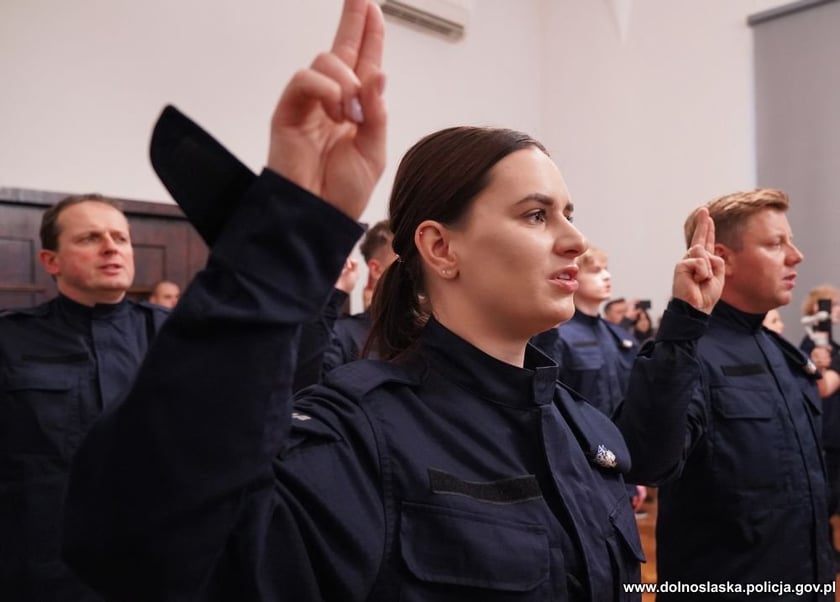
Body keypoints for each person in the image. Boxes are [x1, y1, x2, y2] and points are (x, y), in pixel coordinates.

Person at [62, 1, 723, 599]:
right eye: (535, 215)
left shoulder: (587, 432)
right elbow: (141, 552)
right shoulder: (359, 433)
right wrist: (285, 234)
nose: (576, 240)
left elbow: (654, 461)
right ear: (440, 248)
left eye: (570, 212)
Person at [618, 189, 835, 599]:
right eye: (775, 244)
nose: (796, 255)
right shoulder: (687, 353)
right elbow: (648, 460)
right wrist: (684, 321)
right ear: (724, 257)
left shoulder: (781, 353)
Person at [0, 193, 169, 601]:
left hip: (157, 560)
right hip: (42, 566)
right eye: (90, 238)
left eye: (121, 238)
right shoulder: (9, 340)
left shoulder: (177, 338)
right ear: (50, 261)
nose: (112, 247)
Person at [531, 246, 646, 513]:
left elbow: (630, 407)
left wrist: (634, 476)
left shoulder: (618, 336)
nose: (606, 276)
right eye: (595, 271)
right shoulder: (556, 334)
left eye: (606, 269)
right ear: (572, 275)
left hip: (618, 463)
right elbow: (548, 405)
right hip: (577, 467)